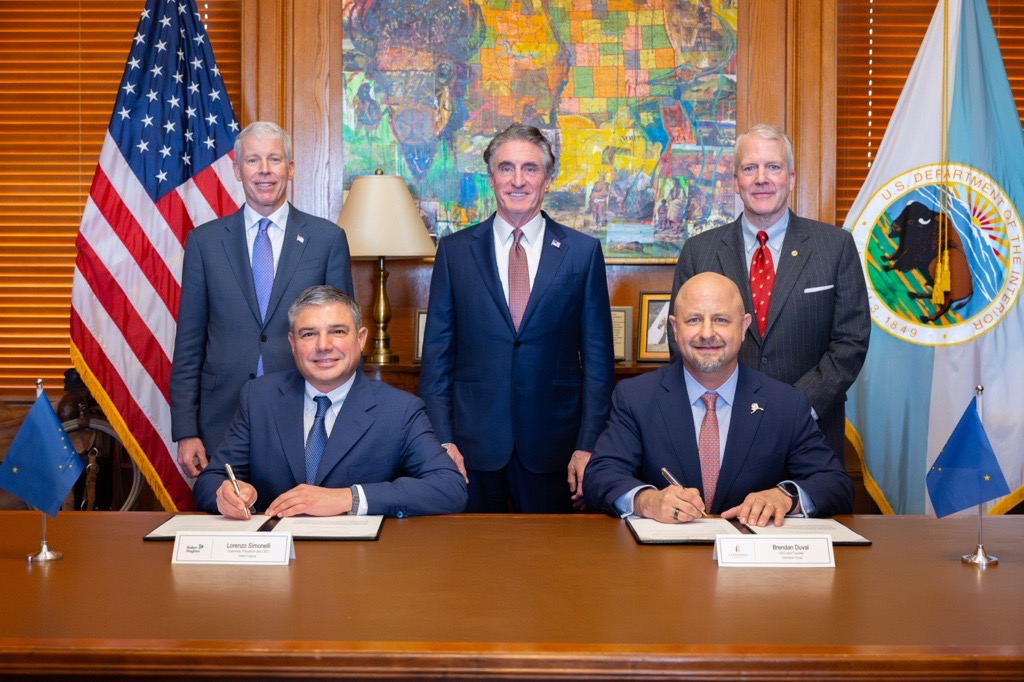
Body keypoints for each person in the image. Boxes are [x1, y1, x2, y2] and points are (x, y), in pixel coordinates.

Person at [419, 123, 615, 513]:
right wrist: (441, 441)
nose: (518, 180)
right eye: (506, 168)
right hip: (471, 446)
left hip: (554, 446)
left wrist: (588, 444)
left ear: (548, 179)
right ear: (491, 177)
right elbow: (437, 357)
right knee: (469, 563)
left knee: (550, 566)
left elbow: (598, 362)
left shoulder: (581, 252)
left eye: (530, 169)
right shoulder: (456, 252)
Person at [669, 123, 869, 464]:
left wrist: (792, 408)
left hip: (810, 430)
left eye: (773, 167)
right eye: (750, 168)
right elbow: (681, 342)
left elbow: (851, 341)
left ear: (790, 179)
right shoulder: (698, 251)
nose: (761, 178)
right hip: (722, 429)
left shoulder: (834, 247)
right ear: (736, 181)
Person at [584, 273, 853, 526]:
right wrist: (647, 501)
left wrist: (786, 497)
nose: (707, 333)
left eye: (721, 320)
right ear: (675, 329)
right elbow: (601, 475)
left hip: (751, 565)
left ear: (744, 326)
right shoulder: (635, 397)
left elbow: (835, 484)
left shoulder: (785, 403)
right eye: (693, 320)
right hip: (661, 564)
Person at [171, 121, 354, 478]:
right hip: (220, 418)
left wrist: (344, 421)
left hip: (306, 411)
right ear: (238, 171)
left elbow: (343, 340)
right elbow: (189, 343)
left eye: (274, 159)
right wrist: (185, 430)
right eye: (254, 161)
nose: (265, 171)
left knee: (299, 519)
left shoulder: (326, 239)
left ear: (291, 168)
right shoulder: (205, 243)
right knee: (227, 519)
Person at [193, 286, 467, 518]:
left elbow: (449, 488)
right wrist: (227, 494)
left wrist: (348, 498)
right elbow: (210, 480)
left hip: (360, 566)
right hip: (274, 562)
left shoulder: (400, 410)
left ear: (361, 340)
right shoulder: (258, 397)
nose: (323, 345)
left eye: (337, 331)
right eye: (309, 334)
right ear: (292, 343)